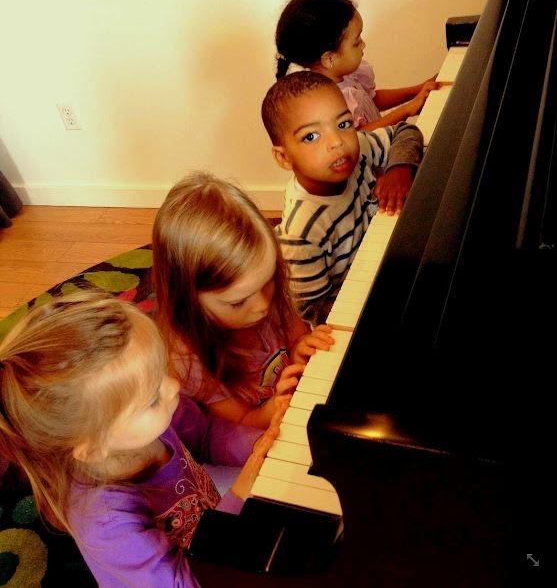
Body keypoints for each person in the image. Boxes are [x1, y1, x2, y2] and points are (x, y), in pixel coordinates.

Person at [0, 290, 284, 588]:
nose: (173, 386)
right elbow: (183, 583)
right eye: (151, 399)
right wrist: (237, 498)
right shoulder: (106, 523)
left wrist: (261, 446)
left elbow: (207, 435)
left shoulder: (153, 420)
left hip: (214, 528)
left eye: (161, 370)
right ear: (95, 448)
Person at [152, 172, 333, 430]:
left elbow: (296, 337)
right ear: (188, 300)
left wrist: (302, 346)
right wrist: (270, 412)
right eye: (237, 303)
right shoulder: (188, 361)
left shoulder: (265, 295)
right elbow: (241, 421)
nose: (262, 305)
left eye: (268, 281)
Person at [261, 70, 423, 322]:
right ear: (283, 157)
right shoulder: (302, 233)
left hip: (383, 254)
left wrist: (399, 168)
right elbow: (312, 311)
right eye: (311, 136)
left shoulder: (355, 152)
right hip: (355, 304)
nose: (337, 141)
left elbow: (404, 132)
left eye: (343, 124)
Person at [275, 0, 439, 131]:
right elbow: (360, 136)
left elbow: (372, 101)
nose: (363, 45)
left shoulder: (347, 77)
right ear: (329, 58)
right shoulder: (330, 102)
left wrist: (417, 90)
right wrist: (407, 110)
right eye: (356, 42)